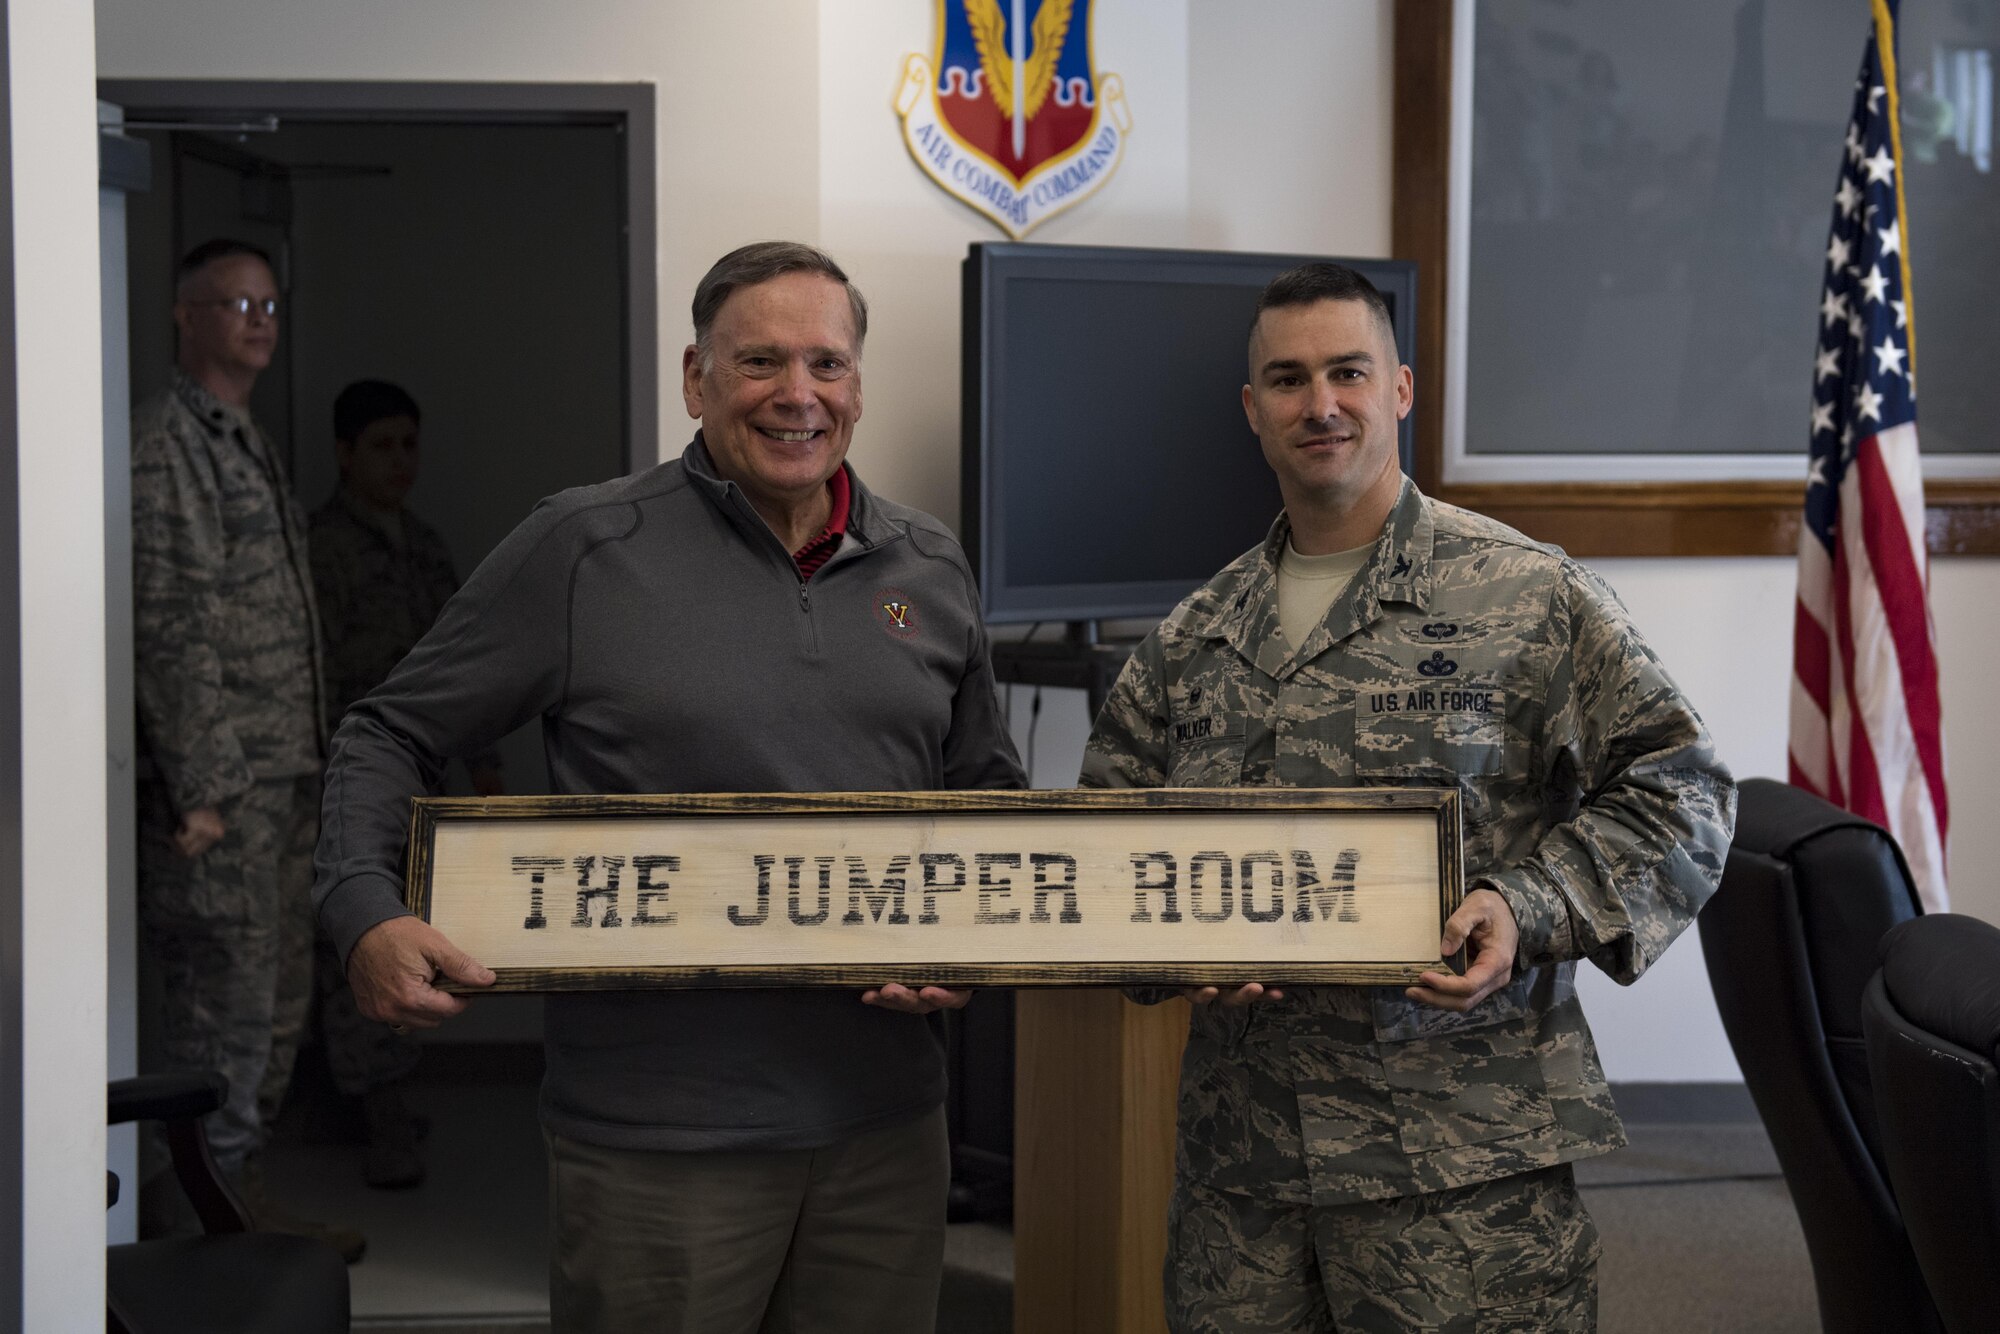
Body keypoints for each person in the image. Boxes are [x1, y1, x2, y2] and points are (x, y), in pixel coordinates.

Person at [312, 241, 1025, 1331]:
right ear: (696, 379)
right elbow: (386, 730)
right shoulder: (581, 546)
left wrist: (970, 935)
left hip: (885, 1131)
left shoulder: (927, 560)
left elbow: (984, 793)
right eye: (760, 363)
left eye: (826, 364)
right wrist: (363, 911)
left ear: (858, 385)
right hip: (656, 1147)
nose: (797, 394)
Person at [1081, 263, 1736, 1332]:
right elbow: (1109, 856)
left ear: (1399, 388)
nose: (1319, 403)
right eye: (1286, 380)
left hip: (1459, 1179)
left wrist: (1523, 905)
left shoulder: (1526, 595)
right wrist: (1178, 948)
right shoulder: (1190, 638)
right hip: (1240, 1186)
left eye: (1347, 371)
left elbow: (1683, 793)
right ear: (1252, 410)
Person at [130, 237, 363, 1259]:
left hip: (285, 771)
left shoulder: (240, 437)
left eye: (270, 304)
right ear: (186, 316)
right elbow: (167, 619)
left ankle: (236, 1196)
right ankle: (200, 1226)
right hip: (227, 788)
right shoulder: (165, 444)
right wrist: (208, 784)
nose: (259, 321)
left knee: (275, 997)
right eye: (237, 303)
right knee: (223, 1001)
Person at [308, 379, 502, 1188]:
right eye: (381, 446)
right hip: (341, 779)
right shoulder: (320, 549)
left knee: (413, 934)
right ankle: (376, 1115)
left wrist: (486, 776)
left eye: (408, 446)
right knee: (356, 942)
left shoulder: (424, 545)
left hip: (421, 789)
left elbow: (470, 678)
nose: (399, 462)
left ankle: (381, 1096)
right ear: (345, 454)